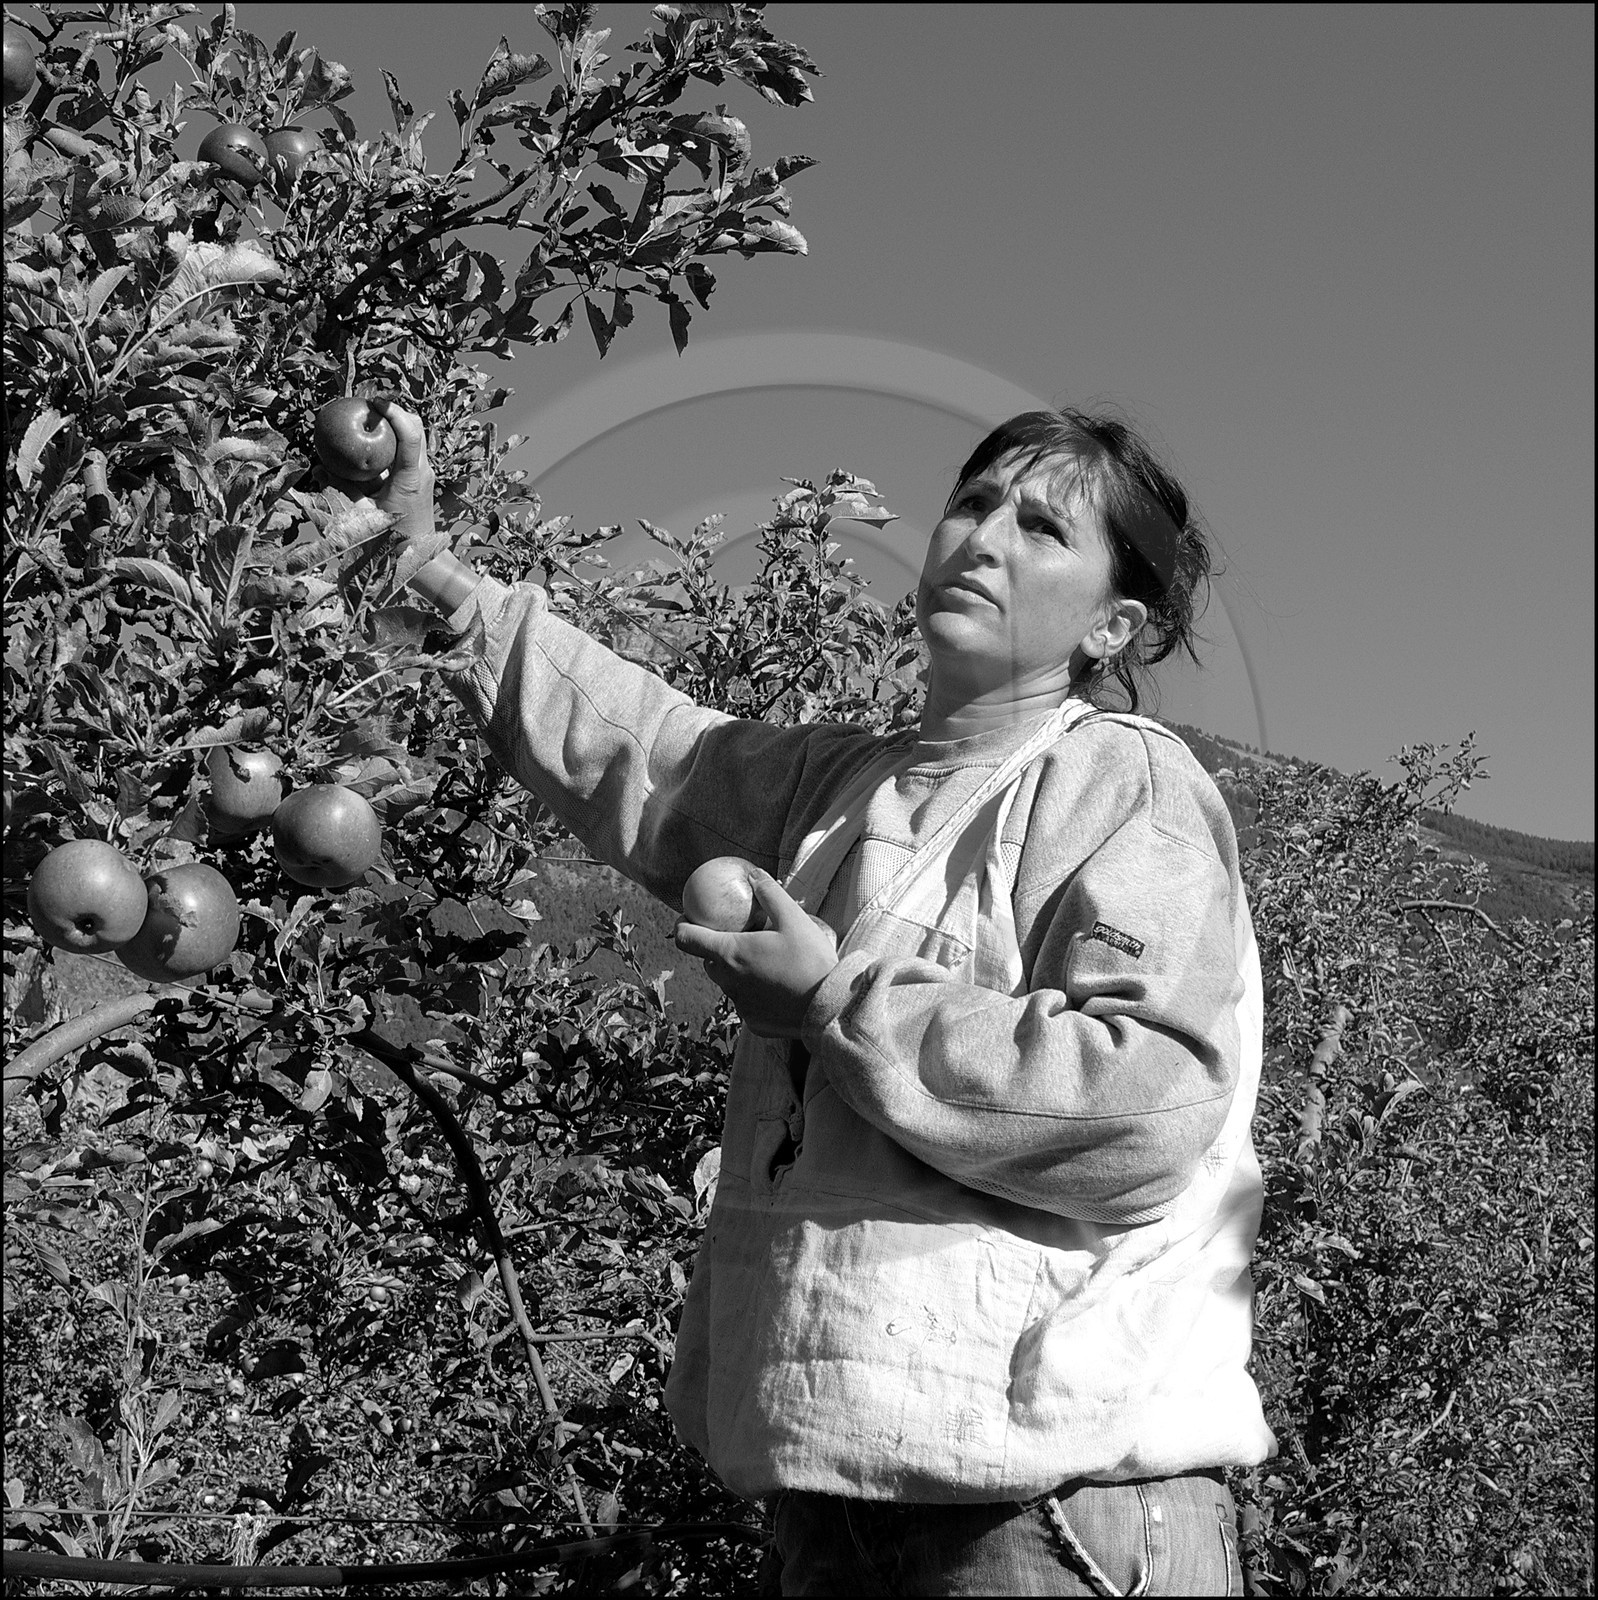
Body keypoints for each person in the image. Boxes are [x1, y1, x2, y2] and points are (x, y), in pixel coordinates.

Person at [368, 397, 1275, 1596]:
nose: (982, 539)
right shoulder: (837, 788)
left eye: (1041, 528)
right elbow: (638, 746)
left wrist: (839, 996)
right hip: (842, 1499)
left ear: (1113, 623)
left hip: (1049, 1511)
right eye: (971, 503)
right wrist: (427, 570)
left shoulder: (1116, 781)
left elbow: (1142, 1106)